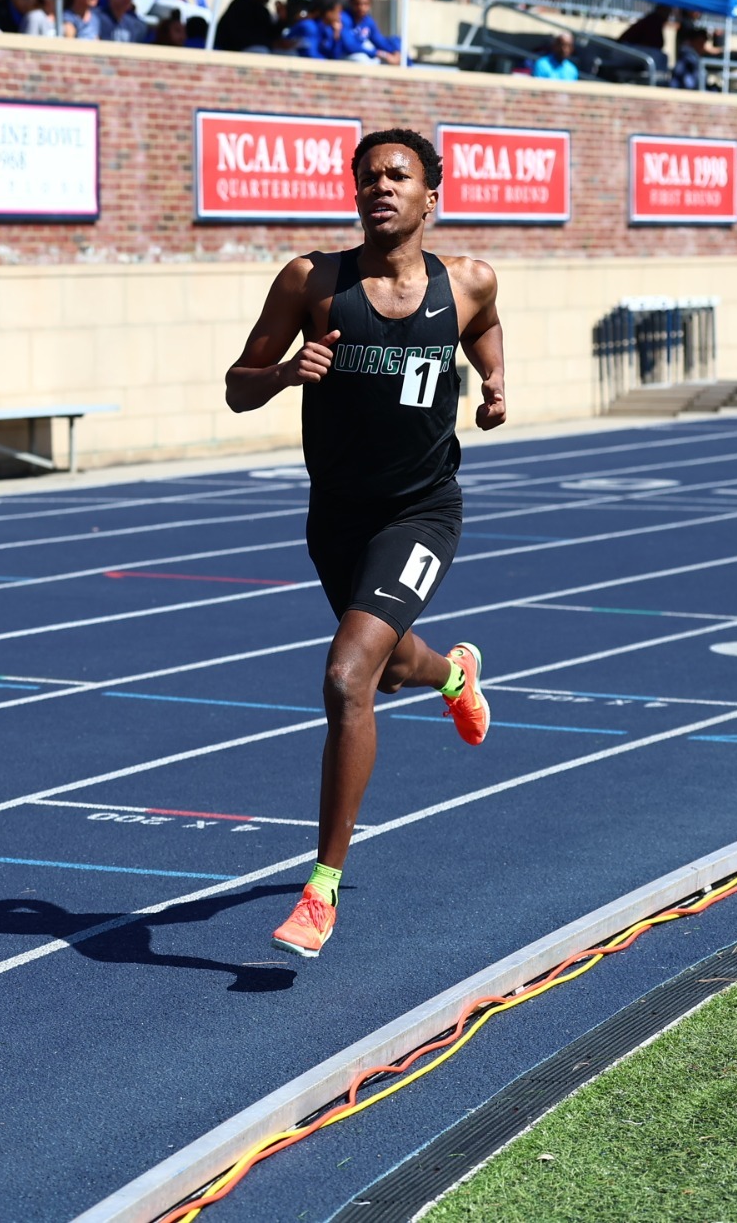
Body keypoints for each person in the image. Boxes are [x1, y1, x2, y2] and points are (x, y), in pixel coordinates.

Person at [223, 128, 503, 958]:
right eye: (368, 175)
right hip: (336, 517)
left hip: (420, 512)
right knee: (382, 661)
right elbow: (238, 386)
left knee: (348, 675)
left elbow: (484, 326)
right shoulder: (312, 281)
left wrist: (494, 383)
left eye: (397, 174)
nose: (380, 185)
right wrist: (282, 375)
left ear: (431, 193)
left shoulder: (471, 283)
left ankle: (320, 891)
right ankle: (453, 671)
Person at [215, 0, 280, 52]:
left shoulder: (262, 10)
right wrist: (271, 43)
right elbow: (242, 38)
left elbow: (270, 35)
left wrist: (282, 20)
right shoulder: (240, 6)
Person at [344, 0, 403, 65]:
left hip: (363, 54)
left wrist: (395, 51)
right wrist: (381, 54)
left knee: (396, 42)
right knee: (363, 59)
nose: (361, 7)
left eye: (365, 4)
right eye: (357, 3)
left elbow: (379, 41)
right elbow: (350, 46)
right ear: (351, 3)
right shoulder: (344, 19)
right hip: (345, 56)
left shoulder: (368, 21)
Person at [670, 24, 708, 90]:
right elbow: (689, 84)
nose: (702, 46)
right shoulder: (688, 57)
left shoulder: (692, 56)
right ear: (694, 41)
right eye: (701, 42)